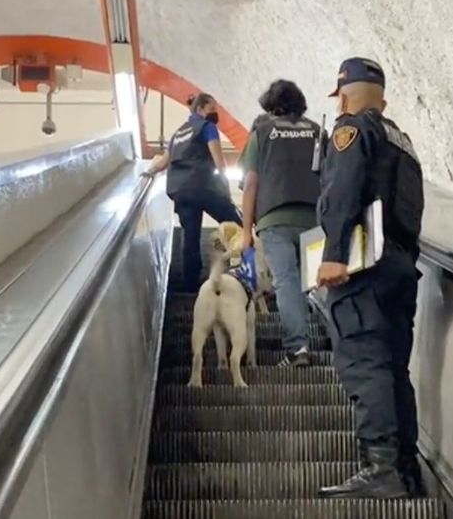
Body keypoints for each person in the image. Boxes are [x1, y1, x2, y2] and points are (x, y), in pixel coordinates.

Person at [314, 58, 426, 499]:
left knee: (364, 362)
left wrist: (334, 254)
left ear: (342, 95)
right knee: (395, 369)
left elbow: (343, 188)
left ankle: (380, 468)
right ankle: (405, 469)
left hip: (364, 266)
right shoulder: (403, 140)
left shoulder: (351, 129)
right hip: (401, 267)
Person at [240, 80, 323, 367]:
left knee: (286, 280)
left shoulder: (262, 132)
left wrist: (245, 231)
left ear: (270, 105)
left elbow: (251, 183)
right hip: (314, 218)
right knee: (311, 281)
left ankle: (297, 348)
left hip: (274, 218)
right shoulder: (317, 131)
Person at [145, 93, 242, 292]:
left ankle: (190, 285)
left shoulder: (179, 133)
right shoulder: (207, 127)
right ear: (200, 109)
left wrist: (148, 171)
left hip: (180, 190)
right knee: (238, 224)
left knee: (190, 236)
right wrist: (225, 189)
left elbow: (164, 161)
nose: (215, 113)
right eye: (212, 108)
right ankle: (246, 271)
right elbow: (219, 161)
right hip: (203, 186)